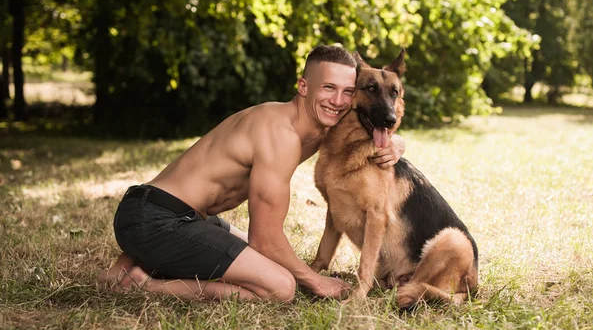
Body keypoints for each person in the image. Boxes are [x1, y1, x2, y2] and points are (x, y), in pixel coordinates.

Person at [97, 45, 406, 302]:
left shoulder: (313, 126)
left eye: (346, 91)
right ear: (303, 86)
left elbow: (360, 136)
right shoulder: (279, 134)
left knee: (270, 263)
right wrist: (315, 280)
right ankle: (143, 284)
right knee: (281, 286)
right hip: (156, 219)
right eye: (328, 88)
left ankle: (134, 261)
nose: (338, 101)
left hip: (188, 216)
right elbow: (265, 239)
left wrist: (397, 143)